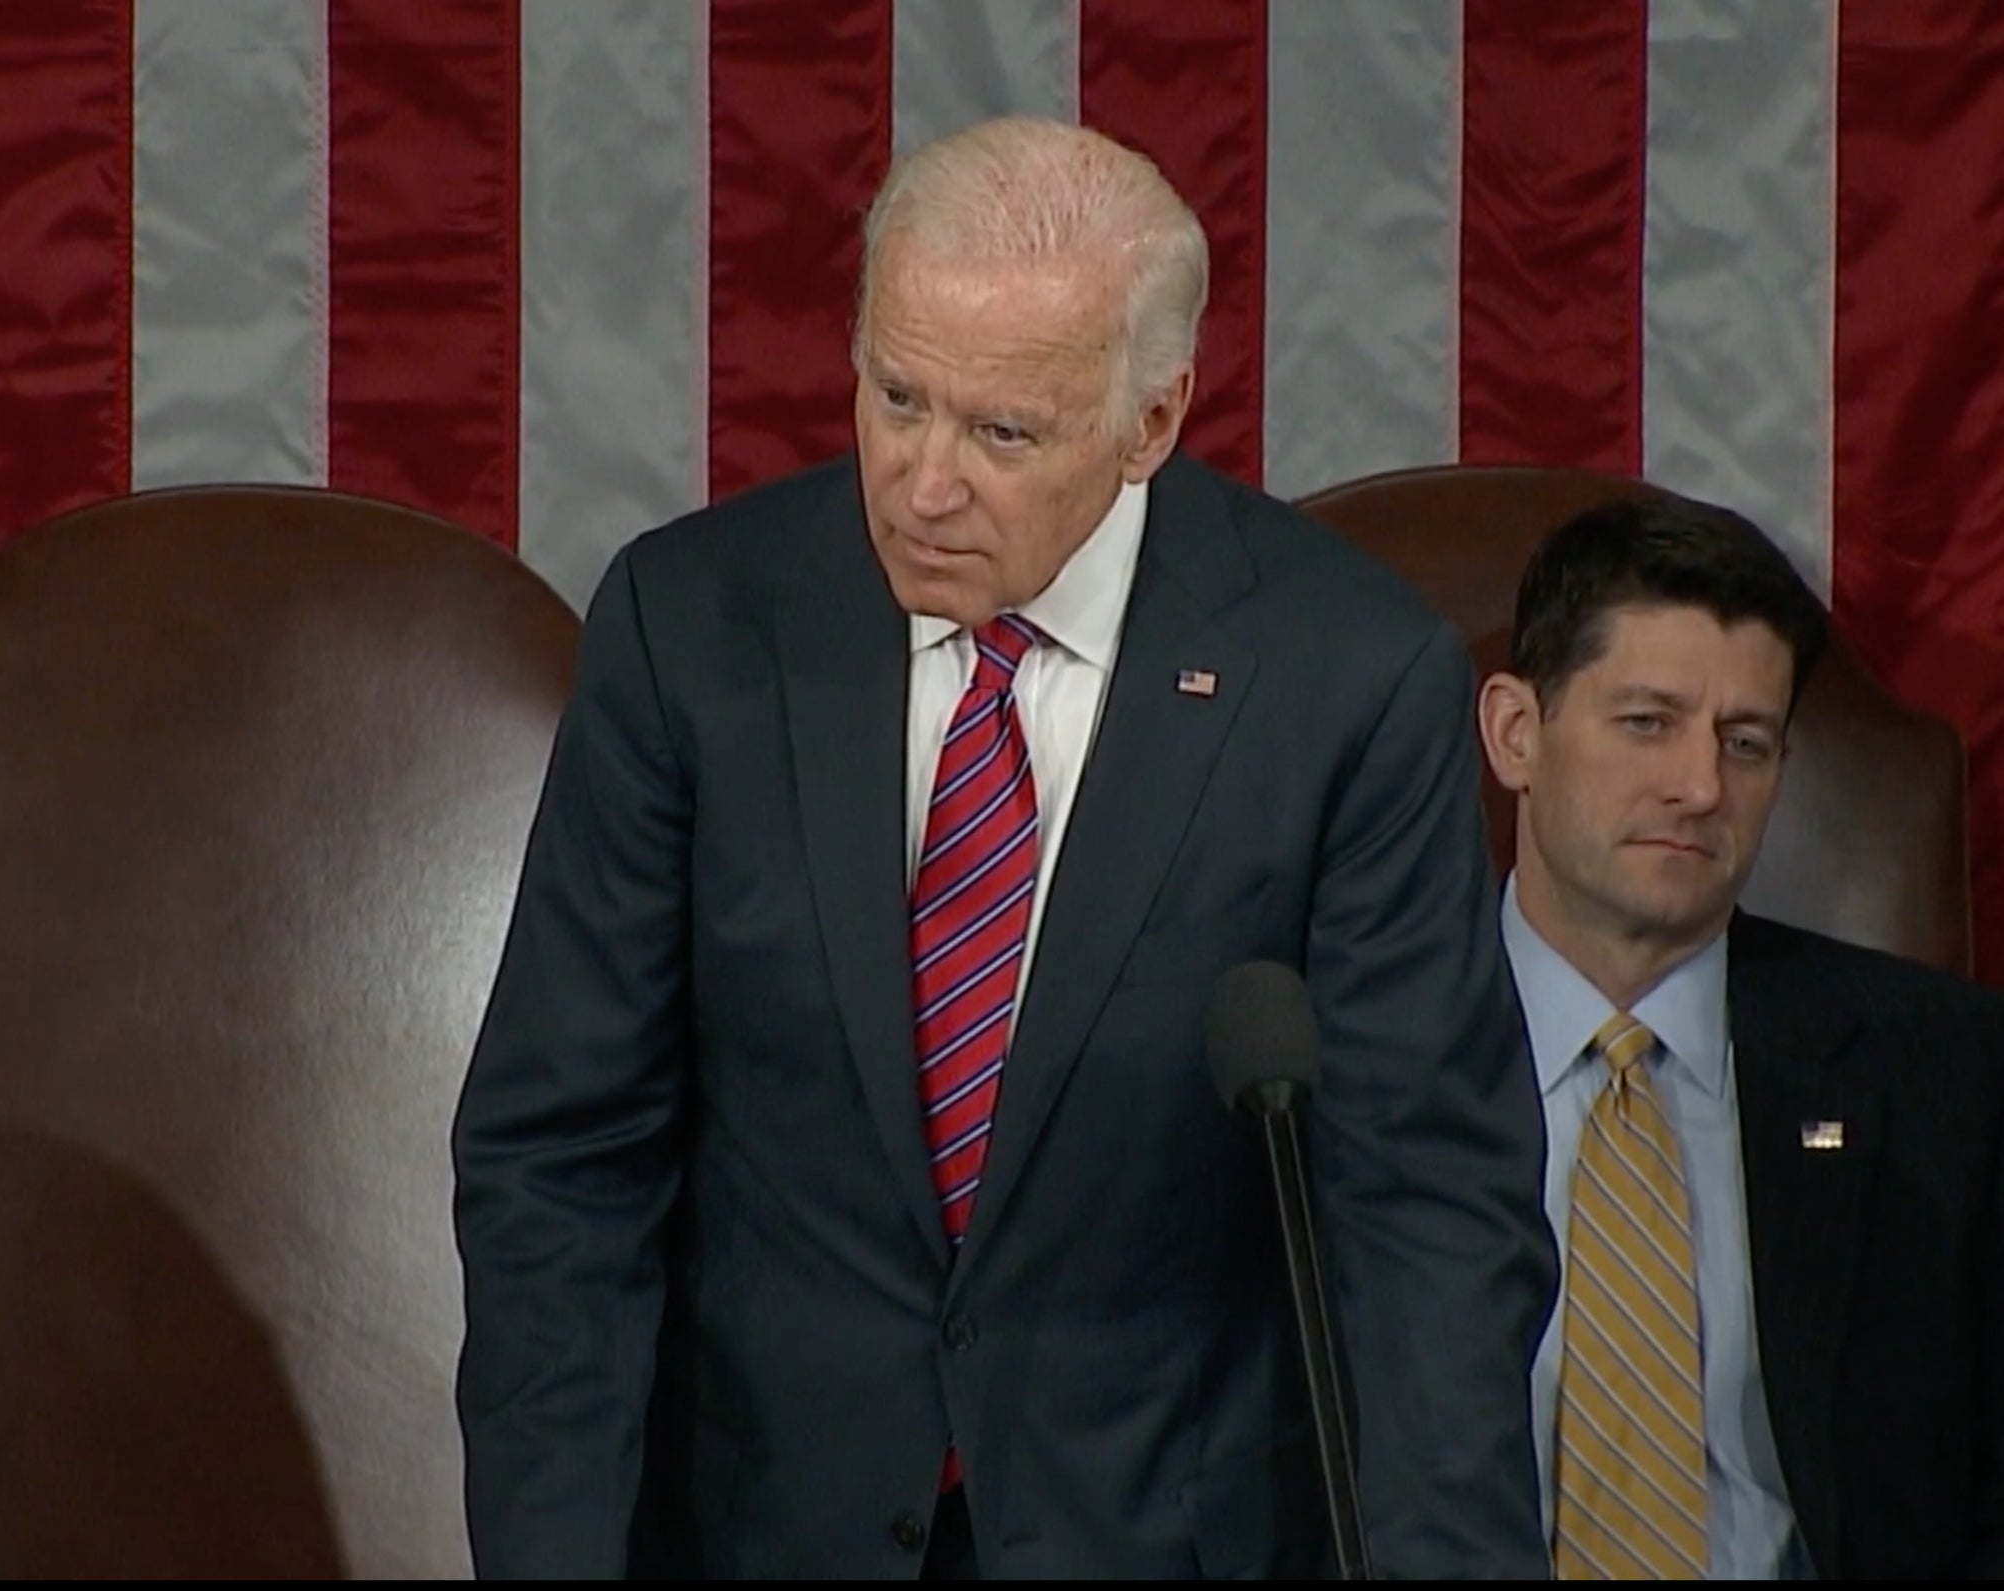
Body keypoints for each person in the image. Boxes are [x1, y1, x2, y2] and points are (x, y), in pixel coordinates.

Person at [452, 114, 1555, 1579]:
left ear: (1147, 421)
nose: (920, 481)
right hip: (763, 1524)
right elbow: (561, 1156)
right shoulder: (693, 629)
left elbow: (1425, 1212)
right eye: (894, 395)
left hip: (1167, 1530)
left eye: (1000, 432)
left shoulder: (1340, 681)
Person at [1476, 493, 2004, 1580]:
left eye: (1744, 741)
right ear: (1515, 734)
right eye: (1646, 722)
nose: (1700, 786)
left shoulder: (1948, 1074)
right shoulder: (1331, 1068)